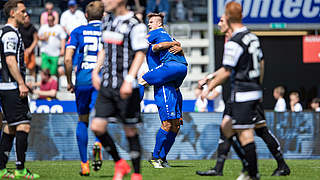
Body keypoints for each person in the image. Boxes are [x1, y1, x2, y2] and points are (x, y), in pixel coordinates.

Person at [196, 13, 290, 178]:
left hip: (244, 93)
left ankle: (266, 167)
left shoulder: (237, 39)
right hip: (237, 94)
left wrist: (209, 86)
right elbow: (229, 67)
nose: (219, 24)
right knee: (226, 128)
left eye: (222, 20)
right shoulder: (235, 38)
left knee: (258, 130)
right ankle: (220, 168)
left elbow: (233, 69)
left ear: (230, 23)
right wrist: (209, 77)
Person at [199, 2, 264, 179]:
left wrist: (207, 89)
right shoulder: (252, 37)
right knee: (226, 127)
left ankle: (253, 174)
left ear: (228, 16)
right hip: (253, 90)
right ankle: (242, 168)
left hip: (243, 92)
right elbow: (261, 63)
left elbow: (226, 71)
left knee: (246, 135)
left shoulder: (234, 41)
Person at [90, 0, 148, 179]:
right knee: (97, 127)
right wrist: (95, 70)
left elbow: (140, 53)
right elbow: (104, 49)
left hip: (125, 85)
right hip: (107, 85)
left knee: (130, 130)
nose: (104, 2)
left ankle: (137, 173)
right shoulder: (106, 21)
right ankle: (119, 163)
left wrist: (129, 80)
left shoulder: (135, 24)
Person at [140, 13, 187, 168]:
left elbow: (155, 45)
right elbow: (155, 46)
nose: (149, 25)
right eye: (149, 22)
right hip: (165, 85)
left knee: (176, 125)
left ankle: (162, 157)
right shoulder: (165, 38)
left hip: (170, 83)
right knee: (167, 123)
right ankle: (155, 157)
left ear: (159, 24)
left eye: (152, 22)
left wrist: (176, 44)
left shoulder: (159, 34)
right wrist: (176, 43)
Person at [0, 0, 40, 178]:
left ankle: (1, 169)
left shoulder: (7, 32)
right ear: (12, 13)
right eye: (23, 12)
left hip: (7, 85)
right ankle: (21, 169)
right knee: (23, 126)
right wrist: (21, 83)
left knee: (10, 127)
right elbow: (9, 60)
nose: (26, 15)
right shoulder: (10, 34)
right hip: (11, 87)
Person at [64, 1, 104, 176]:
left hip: (82, 80)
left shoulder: (77, 31)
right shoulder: (108, 31)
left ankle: (84, 164)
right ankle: (98, 143)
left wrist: (69, 81)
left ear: (86, 16)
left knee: (83, 119)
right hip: (102, 80)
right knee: (102, 117)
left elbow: (67, 59)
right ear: (102, 16)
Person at [18, 12, 38, 79]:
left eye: (27, 17)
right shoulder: (19, 27)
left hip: (30, 50)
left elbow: (35, 40)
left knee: (32, 67)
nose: (26, 18)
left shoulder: (32, 28)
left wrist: (30, 49)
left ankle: (33, 82)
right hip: (21, 50)